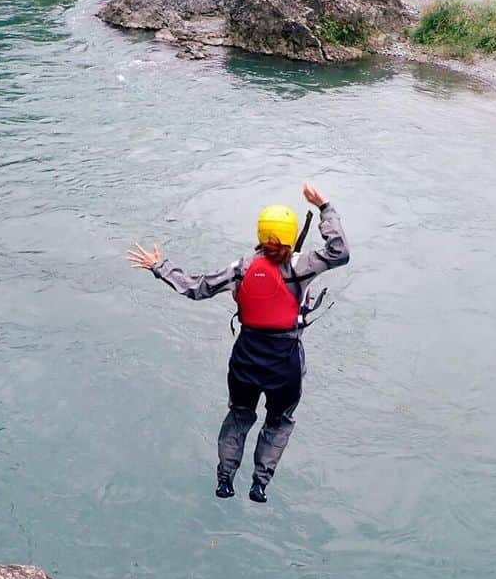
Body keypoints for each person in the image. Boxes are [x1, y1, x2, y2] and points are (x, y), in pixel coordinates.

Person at [127, 182, 349, 503]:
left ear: (260, 234)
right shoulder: (302, 267)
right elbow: (339, 252)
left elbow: (196, 288)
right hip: (285, 362)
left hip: (245, 358)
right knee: (279, 421)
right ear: (290, 235)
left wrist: (159, 267)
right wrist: (325, 207)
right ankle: (260, 484)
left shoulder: (242, 268)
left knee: (240, 414)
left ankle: (225, 479)